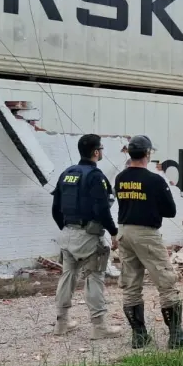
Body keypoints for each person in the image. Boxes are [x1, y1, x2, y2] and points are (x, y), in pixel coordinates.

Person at [115, 135, 183, 349]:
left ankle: (139, 337)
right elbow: (169, 210)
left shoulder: (121, 178)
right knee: (166, 282)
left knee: (131, 286)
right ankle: (176, 336)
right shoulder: (155, 180)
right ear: (148, 153)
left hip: (124, 232)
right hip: (146, 234)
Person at [50, 134, 122, 340]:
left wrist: (66, 229)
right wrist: (114, 231)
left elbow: (55, 209)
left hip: (67, 235)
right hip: (89, 236)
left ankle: (61, 323)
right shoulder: (95, 176)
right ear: (96, 152)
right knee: (94, 278)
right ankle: (99, 326)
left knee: (67, 276)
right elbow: (102, 209)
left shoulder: (67, 174)